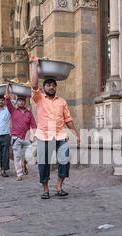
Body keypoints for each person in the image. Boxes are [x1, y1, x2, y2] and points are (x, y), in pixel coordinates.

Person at [30, 56, 80, 199]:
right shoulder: (39, 98)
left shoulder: (62, 102)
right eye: (48, 85)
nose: (51, 87)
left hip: (60, 135)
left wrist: (76, 134)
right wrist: (35, 65)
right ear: (44, 87)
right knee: (44, 164)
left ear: (56, 87)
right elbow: (34, 85)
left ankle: (59, 186)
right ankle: (45, 190)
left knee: (64, 161)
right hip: (43, 135)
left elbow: (68, 120)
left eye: (53, 85)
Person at [4, 85, 37, 181]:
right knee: (17, 156)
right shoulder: (13, 110)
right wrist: (7, 88)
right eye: (19, 100)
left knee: (29, 154)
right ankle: (19, 174)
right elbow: (7, 99)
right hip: (16, 138)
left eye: (22, 100)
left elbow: (34, 125)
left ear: (25, 102)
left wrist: (35, 135)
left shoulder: (29, 113)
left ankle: (24, 163)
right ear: (17, 102)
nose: (21, 102)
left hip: (26, 138)